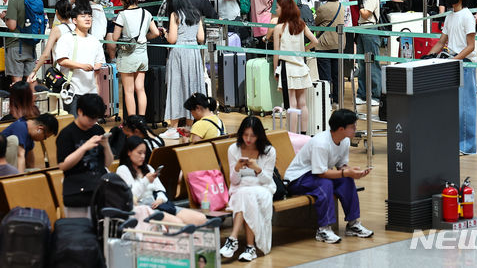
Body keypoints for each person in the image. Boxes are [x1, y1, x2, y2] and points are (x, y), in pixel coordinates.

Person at [284, 109, 373, 244]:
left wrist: (353, 173)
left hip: (316, 175)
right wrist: (346, 172)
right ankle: (323, 230)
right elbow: (321, 173)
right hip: (297, 179)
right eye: (352, 126)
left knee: (346, 180)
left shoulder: (345, 141)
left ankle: (353, 224)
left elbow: (341, 165)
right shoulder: (321, 143)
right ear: (341, 129)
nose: (356, 129)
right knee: (325, 184)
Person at [427, 0, 477, 155]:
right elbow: (441, 41)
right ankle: (454, 141)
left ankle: (467, 146)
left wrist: (455, 60)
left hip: (464, 64)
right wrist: (429, 56)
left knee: (466, 108)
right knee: (452, 107)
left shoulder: (467, 16)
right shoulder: (449, 16)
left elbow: (471, 46)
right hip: (451, 63)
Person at [219, 116, 276, 261]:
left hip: (262, 188)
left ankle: (233, 239)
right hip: (241, 188)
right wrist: (237, 169)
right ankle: (250, 248)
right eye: (245, 135)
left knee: (245, 195)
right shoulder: (234, 149)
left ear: (259, 135)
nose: (248, 139)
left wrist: (257, 169)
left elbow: (267, 180)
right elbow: (234, 181)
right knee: (245, 195)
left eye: (253, 135)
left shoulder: (269, 151)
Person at [117, 136, 206, 225]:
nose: (143, 156)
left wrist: (160, 199)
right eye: (139, 153)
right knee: (177, 223)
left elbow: (161, 189)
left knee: (200, 218)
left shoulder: (148, 168)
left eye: (144, 153)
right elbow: (131, 196)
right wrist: (146, 180)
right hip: (143, 209)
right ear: (129, 152)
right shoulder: (123, 170)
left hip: (159, 205)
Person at [57, 93, 113, 218]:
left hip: (99, 187)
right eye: (90, 118)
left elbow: (107, 163)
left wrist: (106, 145)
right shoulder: (67, 134)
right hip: (77, 190)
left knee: (102, 229)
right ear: (80, 111)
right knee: (80, 230)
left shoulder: (97, 130)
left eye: (96, 119)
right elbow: (63, 166)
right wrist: (84, 147)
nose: (93, 122)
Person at [161, 0, 205, 140]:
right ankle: (190, 125)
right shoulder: (196, 14)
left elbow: (172, 39)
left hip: (179, 52)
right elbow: (201, 37)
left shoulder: (175, 15)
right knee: (192, 86)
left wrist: (165, 33)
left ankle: (173, 127)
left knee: (176, 87)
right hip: (193, 52)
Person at [113, 0, 161, 117]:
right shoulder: (146, 13)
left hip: (127, 56)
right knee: (140, 88)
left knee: (128, 91)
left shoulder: (122, 15)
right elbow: (156, 33)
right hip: (142, 55)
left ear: (123, 0)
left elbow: (115, 38)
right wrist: (144, 37)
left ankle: (132, 121)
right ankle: (141, 120)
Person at [273, 0, 318, 133]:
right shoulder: (301, 25)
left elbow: (276, 53)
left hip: (287, 68)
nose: (276, 10)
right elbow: (315, 41)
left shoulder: (279, 28)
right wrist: (304, 49)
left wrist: (276, 70)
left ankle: (292, 135)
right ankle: (303, 134)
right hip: (301, 67)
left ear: (284, 10)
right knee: (302, 103)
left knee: (291, 104)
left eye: (278, 7)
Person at [55, 4, 106, 115]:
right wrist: (82, 66)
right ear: (74, 20)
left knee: (90, 124)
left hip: (91, 91)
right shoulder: (66, 38)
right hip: (72, 90)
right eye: (83, 16)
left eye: (89, 16)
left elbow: (99, 62)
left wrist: (97, 66)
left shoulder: (95, 41)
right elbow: (61, 60)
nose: (87, 18)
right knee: (73, 124)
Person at [1, 0, 39, 84]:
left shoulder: (14, 1)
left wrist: (5, 17)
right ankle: (32, 101)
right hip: (31, 45)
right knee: (31, 82)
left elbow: (12, 26)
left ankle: (20, 102)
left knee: (17, 84)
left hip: (16, 45)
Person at [28, 0, 75, 83]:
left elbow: (45, 54)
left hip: (61, 72)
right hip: (76, 69)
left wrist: (34, 71)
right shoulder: (77, 27)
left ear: (56, 13)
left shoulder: (57, 30)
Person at [355, 0, 383, 106]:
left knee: (373, 63)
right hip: (361, 28)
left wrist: (359, 4)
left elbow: (366, 14)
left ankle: (376, 95)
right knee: (361, 63)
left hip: (370, 28)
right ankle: (362, 93)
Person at [314, 0, 344, 105]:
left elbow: (316, 23)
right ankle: (338, 99)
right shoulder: (342, 6)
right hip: (339, 43)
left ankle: (326, 100)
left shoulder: (323, 8)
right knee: (338, 75)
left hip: (324, 45)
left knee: (325, 76)